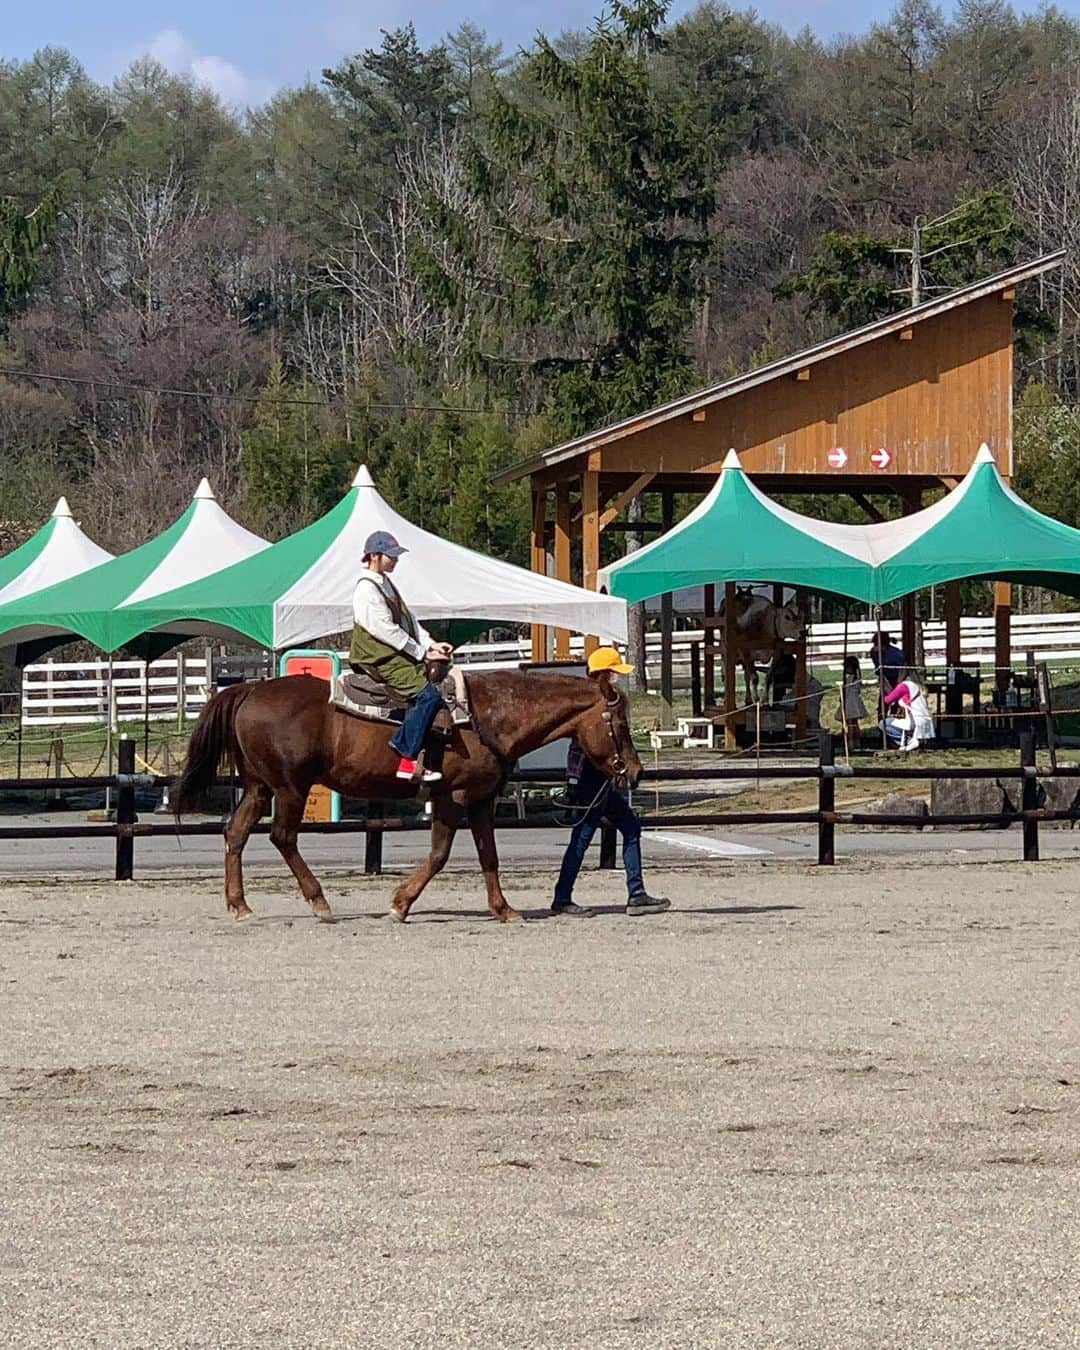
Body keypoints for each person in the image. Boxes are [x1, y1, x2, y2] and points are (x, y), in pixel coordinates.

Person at [552, 647, 670, 918]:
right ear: (604, 675)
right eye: (614, 673)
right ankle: (563, 896)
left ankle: (636, 892)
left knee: (628, 827)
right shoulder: (596, 706)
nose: (617, 677)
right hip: (593, 778)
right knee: (584, 838)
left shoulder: (593, 703)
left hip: (592, 777)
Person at [350, 530, 452, 784]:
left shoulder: (385, 583)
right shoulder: (367, 589)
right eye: (390, 556)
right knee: (428, 696)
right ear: (374, 556)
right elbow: (386, 631)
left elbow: (410, 622)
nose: (395, 560)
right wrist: (422, 652)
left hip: (393, 652)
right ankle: (406, 756)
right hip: (379, 657)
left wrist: (432, 645)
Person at [880, 671, 935, 751]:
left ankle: (909, 741)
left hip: (913, 722)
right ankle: (914, 740)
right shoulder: (918, 687)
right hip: (924, 721)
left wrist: (884, 690)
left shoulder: (904, 686)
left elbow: (888, 700)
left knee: (883, 723)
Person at [836, 654, 868, 750]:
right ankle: (856, 742)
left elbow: (846, 691)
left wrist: (842, 697)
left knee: (850, 723)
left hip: (850, 703)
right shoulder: (856, 678)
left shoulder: (851, 679)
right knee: (854, 723)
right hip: (854, 701)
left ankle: (850, 743)